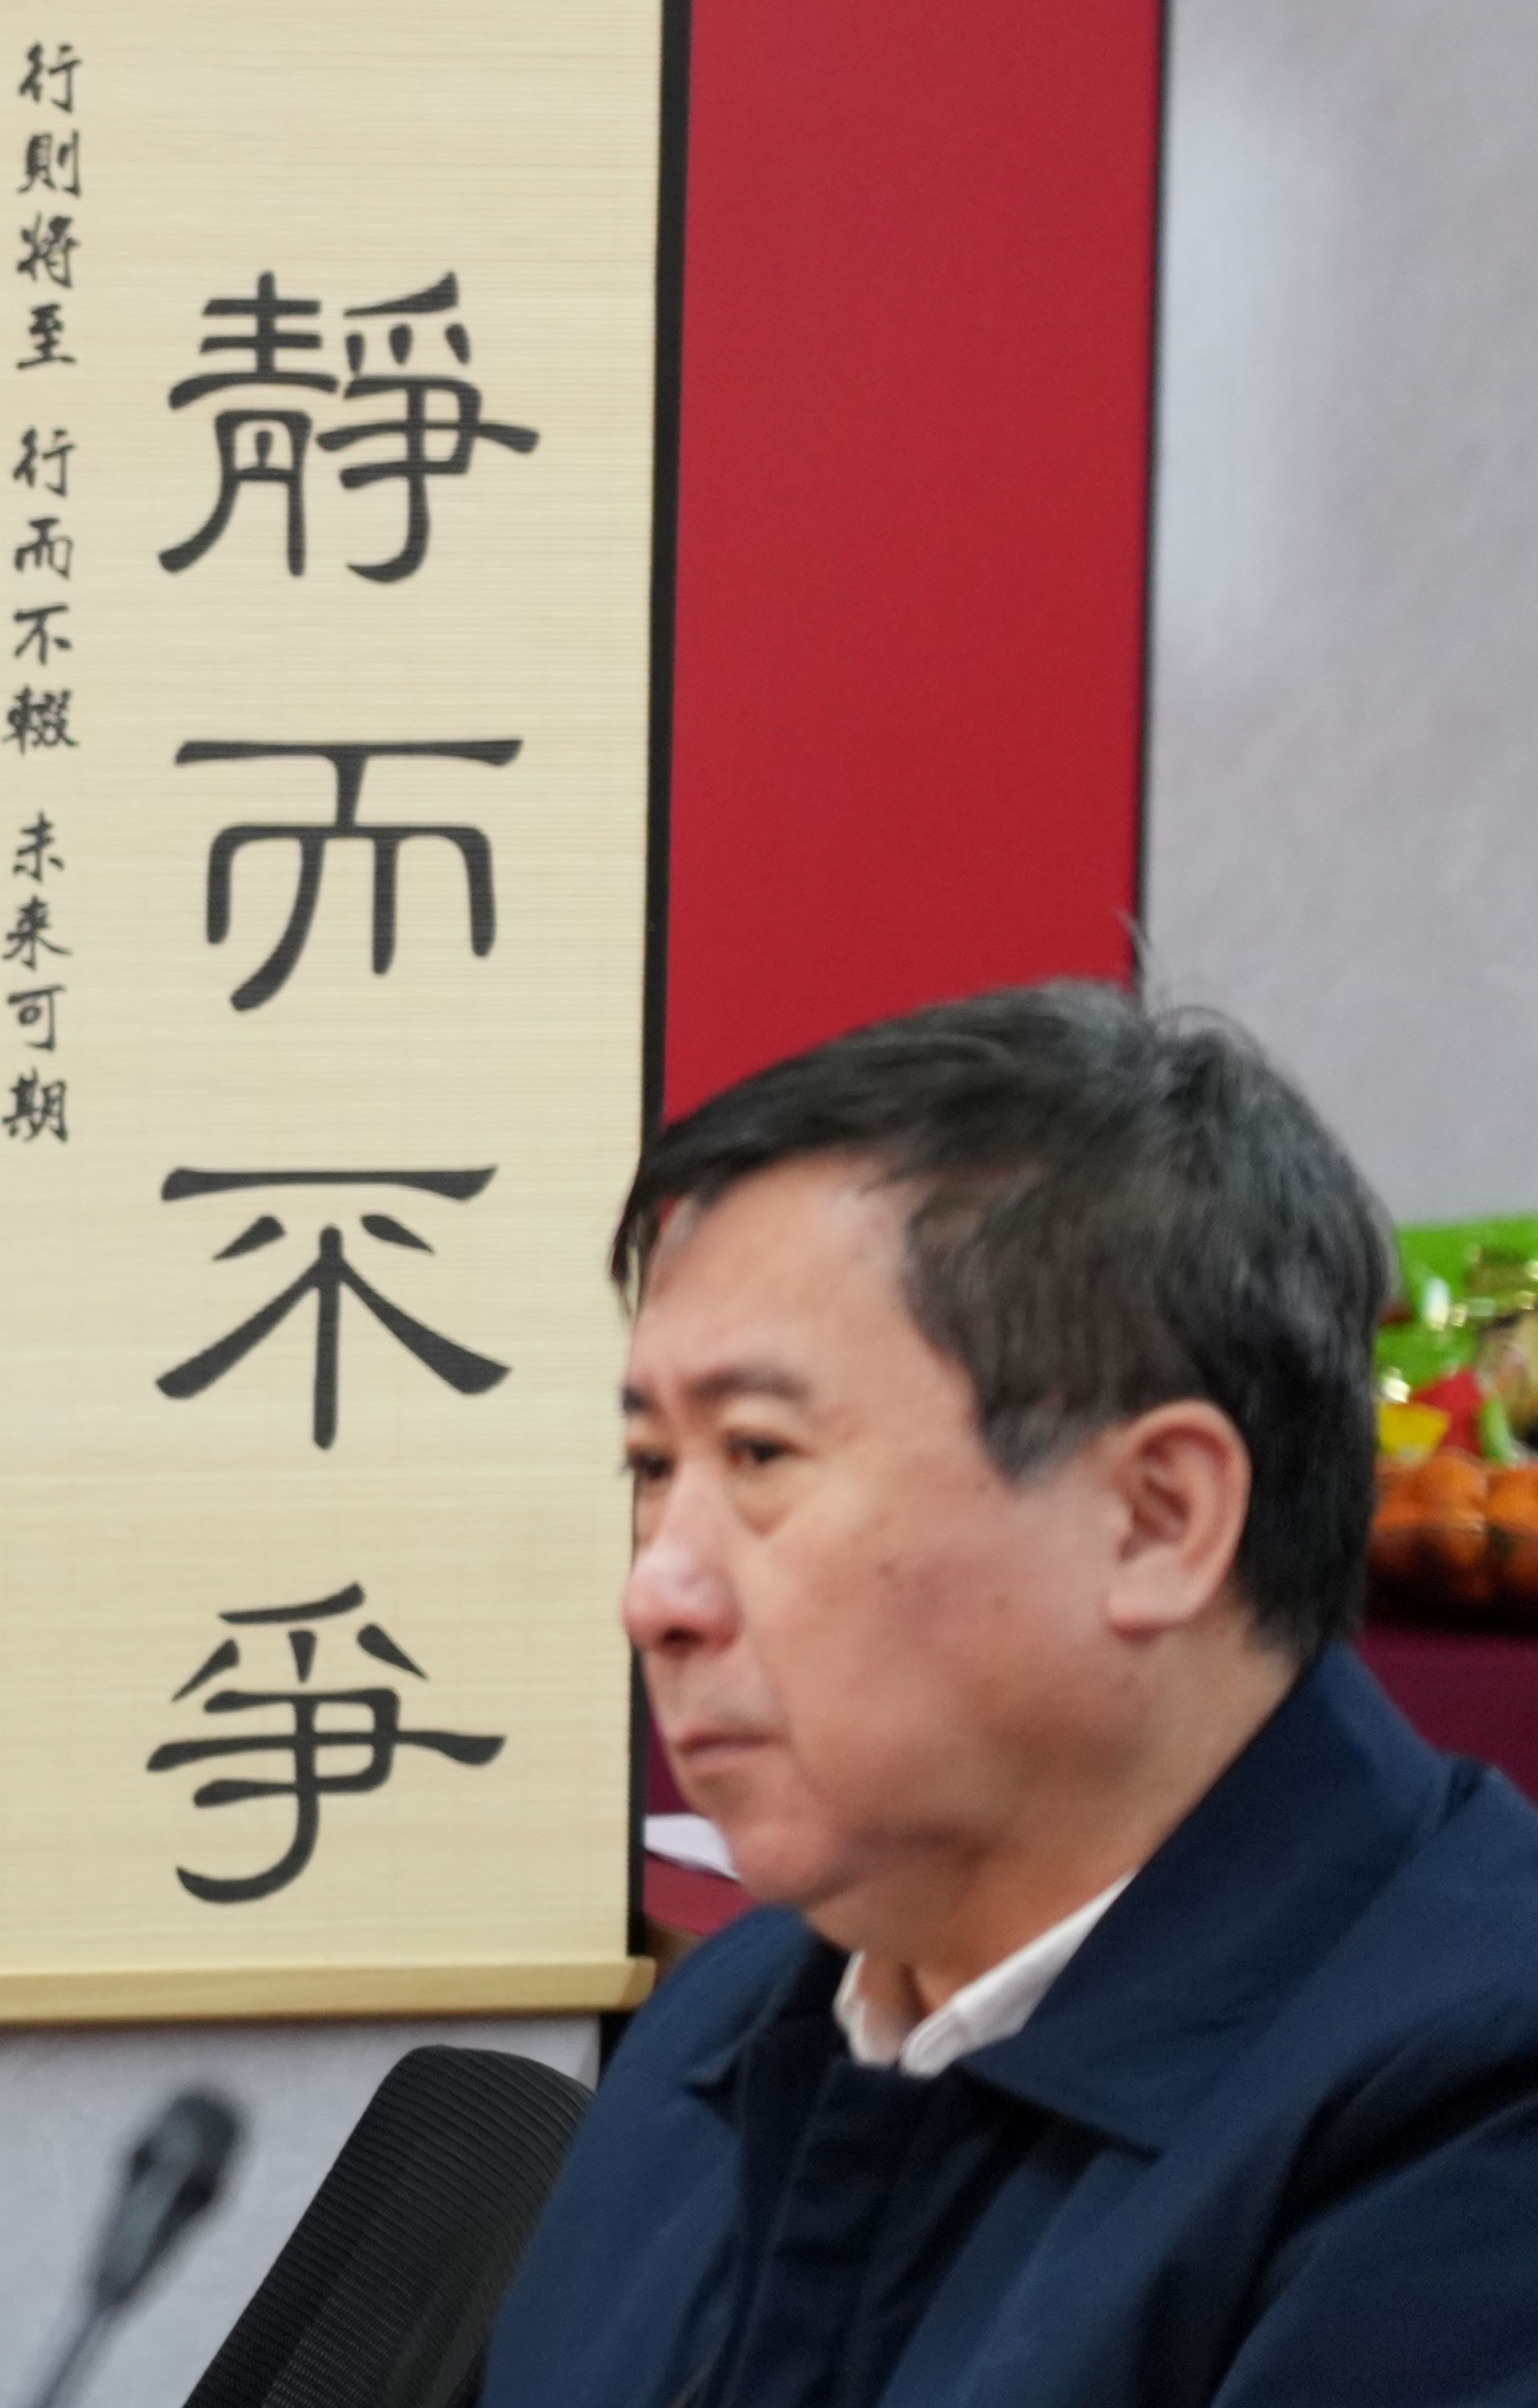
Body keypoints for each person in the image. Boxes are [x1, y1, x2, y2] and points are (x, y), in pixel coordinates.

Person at [484, 981, 1538, 2406]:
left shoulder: (1474, 2107)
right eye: (652, 1468)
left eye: (759, 1455)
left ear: (1157, 1519)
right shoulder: (742, 2008)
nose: (657, 1592)